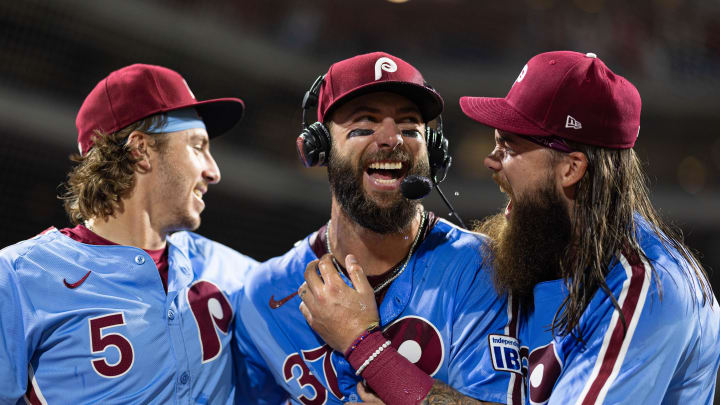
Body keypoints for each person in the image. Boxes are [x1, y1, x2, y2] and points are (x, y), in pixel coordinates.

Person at [234, 52, 517, 405]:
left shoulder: (482, 267)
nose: (391, 139)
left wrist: (365, 347)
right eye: (364, 126)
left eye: (410, 127)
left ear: (433, 151)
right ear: (318, 148)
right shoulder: (265, 295)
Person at [459, 50, 720, 404]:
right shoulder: (549, 246)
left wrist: (398, 381)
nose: (491, 160)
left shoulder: (650, 286)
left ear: (571, 168)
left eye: (509, 145)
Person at [0, 64, 256, 403]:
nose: (214, 171)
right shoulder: (19, 277)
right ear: (141, 151)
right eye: (197, 146)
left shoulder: (228, 269)